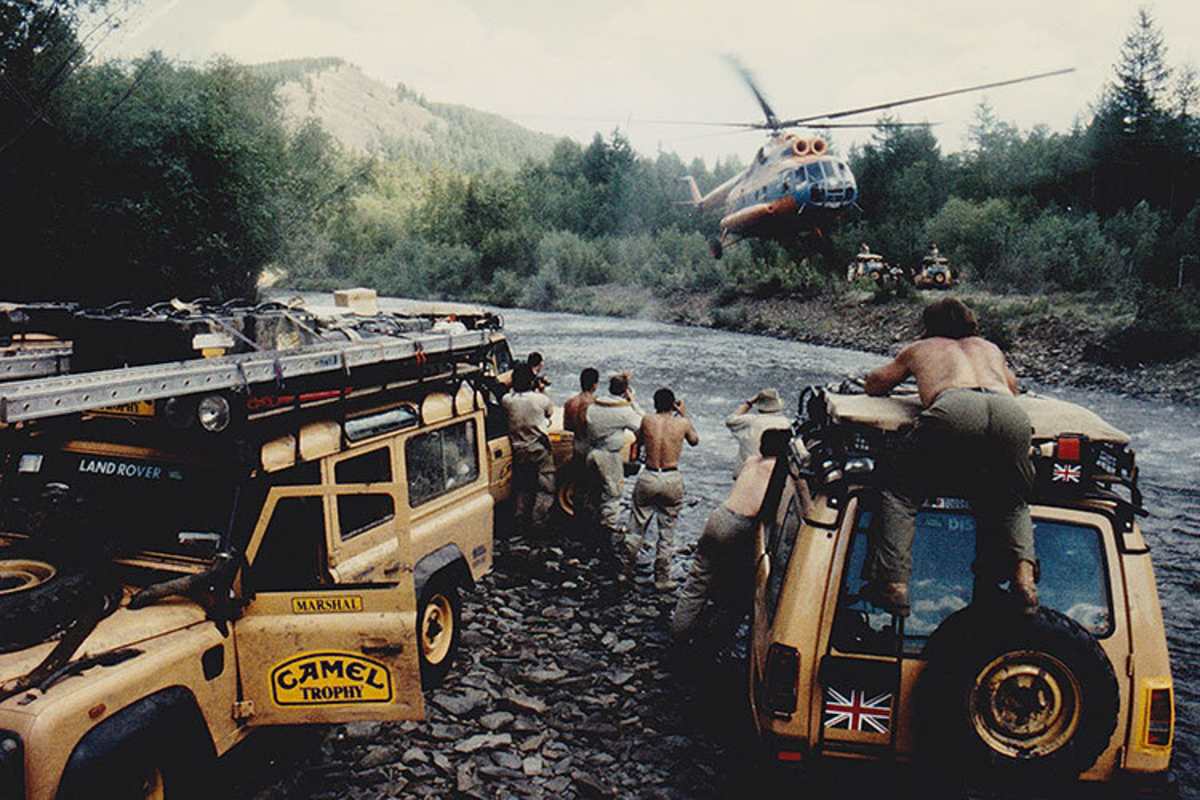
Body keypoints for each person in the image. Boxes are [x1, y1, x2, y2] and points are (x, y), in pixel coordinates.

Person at [862, 297, 1037, 617]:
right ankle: (1024, 579)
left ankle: (894, 583)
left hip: (954, 408)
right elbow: (1012, 387)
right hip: (1009, 413)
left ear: (929, 325)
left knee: (899, 490)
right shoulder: (989, 349)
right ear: (971, 324)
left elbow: (876, 384)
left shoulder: (921, 348)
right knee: (1013, 498)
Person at [671, 428, 790, 644]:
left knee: (698, 580)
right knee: (736, 590)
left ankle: (679, 631)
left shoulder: (751, 460)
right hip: (740, 526)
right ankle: (713, 642)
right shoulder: (779, 469)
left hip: (719, 516)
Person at [624, 388, 699, 591]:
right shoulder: (682, 423)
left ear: (655, 403)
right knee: (667, 531)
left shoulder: (647, 420)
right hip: (671, 476)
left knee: (637, 526)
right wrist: (683, 414)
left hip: (648, 475)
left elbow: (638, 440)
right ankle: (662, 578)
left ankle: (625, 571)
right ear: (674, 404)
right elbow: (694, 440)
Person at [584, 372, 643, 562]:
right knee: (613, 494)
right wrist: (633, 402)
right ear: (625, 391)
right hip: (609, 455)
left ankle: (591, 536)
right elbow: (643, 424)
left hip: (592, 453)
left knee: (593, 493)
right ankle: (605, 541)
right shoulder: (623, 410)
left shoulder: (594, 406)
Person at [501, 363, 556, 531]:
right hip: (538, 447)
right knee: (546, 486)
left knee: (522, 486)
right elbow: (549, 412)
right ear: (531, 381)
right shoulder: (540, 399)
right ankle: (538, 520)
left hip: (518, 448)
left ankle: (519, 518)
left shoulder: (507, 400)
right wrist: (541, 389)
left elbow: (508, 391)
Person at [725, 388, 793, 477]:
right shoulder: (786, 423)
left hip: (747, 474)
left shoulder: (750, 421)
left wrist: (749, 403)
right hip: (774, 473)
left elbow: (730, 420)